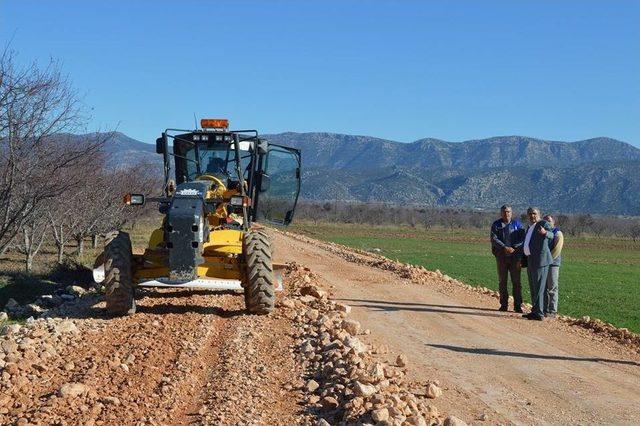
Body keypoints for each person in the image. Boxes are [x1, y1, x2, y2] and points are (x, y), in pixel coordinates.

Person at [522, 207, 555, 321]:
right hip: (531, 260)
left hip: (540, 261)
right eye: (530, 214)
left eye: (534, 214)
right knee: (533, 287)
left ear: (539, 214)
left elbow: (552, 235)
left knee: (539, 288)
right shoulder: (530, 227)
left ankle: (540, 313)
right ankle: (534, 311)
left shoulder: (543, 223)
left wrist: (545, 233)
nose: (532, 216)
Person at [490, 204, 524, 312]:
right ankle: (503, 305)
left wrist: (514, 247)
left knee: (516, 282)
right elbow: (494, 239)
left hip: (515, 257)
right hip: (501, 257)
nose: (506, 213)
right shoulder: (496, 224)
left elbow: (523, 239)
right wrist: (504, 247)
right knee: (502, 281)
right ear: (501, 213)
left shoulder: (517, 224)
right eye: (504, 212)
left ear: (511, 213)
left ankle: (517, 306)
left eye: (508, 211)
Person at [543, 214, 564, 318]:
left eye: (549, 221)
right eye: (545, 221)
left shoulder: (558, 233)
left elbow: (556, 250)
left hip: (553, 263)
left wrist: (547, 260)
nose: (548, 223)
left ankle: (552, 310)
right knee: (544, 287)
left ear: (554, 222)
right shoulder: (543, 233)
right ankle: (544, 309)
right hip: (544, 263)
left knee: (552, 287)